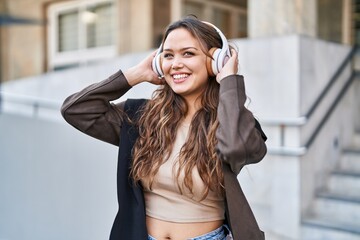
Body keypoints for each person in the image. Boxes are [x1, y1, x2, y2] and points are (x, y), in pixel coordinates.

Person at [61, 17, 267, 240]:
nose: (175, 63)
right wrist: (134, 75)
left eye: (188, 53)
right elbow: (75, 109)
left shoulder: (232, 122)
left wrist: (229, 81)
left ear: (214, 61)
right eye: (168, 55)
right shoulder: (142, 117)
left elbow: (237, 148)